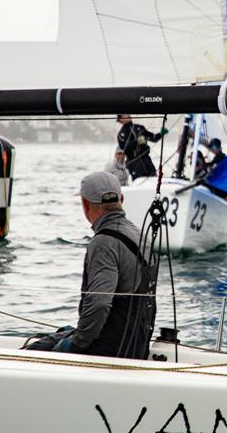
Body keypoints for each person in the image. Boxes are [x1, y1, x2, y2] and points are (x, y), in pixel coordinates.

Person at [25, 171, 157, 358]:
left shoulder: (104, 242)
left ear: (85, 204)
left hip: (110, 350)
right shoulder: (138, 234)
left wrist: (77, 343)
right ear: (121, 199)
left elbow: (100, 304)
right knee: (58, 334)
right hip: (135, 344)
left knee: (33, 351)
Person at [116, 114, 167, 180]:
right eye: (124, 115)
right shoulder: (121, 133)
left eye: (128, 114)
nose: (127, 115)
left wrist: (161, 133)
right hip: (134, 162)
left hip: (146, 159)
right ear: (120, 120)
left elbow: (153, 138)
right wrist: (137, 141)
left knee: (154, 178)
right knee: (139, 180)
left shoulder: (140, 127)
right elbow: (124, 147)